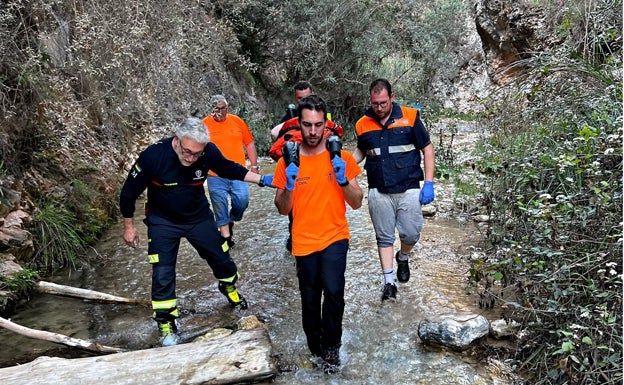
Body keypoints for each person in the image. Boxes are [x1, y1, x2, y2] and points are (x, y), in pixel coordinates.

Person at [119, 117, 273, 347]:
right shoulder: (153, 156)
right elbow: (128, 193)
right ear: (177, 140)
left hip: (198, 216)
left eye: (196, 154)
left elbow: (228, 168)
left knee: (221, 258)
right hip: (162, 221)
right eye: (187, 151)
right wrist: (129, 227)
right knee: (162, 271)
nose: (191, 158)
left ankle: (228, 287)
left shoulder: (208, 152)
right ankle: (166, 323)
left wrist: (263, 179)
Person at [272, 95, 363, 372]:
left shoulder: (342, 157)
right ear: (298, 124)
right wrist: (288, 184)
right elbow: (281, 208)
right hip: (304, 240)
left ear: (327, 125)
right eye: (308, 125)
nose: (313, 132)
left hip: (335, 236)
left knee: (334, 292)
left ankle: (332, 348)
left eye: (319, 125)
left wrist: (343, 179)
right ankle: (315, 349)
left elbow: (357, 201)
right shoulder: (288, 160)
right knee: (310, 300)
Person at [353, 78, 436, 302]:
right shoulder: (362, 123)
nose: (378, 108)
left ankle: (404, 256)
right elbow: (362, 151)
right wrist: (347, 168)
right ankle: (389, 283)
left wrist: (428, 182)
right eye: (374, 104)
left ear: (392, 97)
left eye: (382, 103)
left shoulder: (410, 117)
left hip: (408, 187)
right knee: (384, 237)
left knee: (411, 233)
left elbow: (427, 149)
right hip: (378, 190)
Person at [202, 95, 259, 248]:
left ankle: (231, 219)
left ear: (227, 108)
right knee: (219, 206)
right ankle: (226, 239)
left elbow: (250, 143)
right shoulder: (204, 125)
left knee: (242, 202)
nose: (220, 111)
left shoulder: (237, 121)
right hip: (215, 175)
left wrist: (254, 166)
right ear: (212, 109)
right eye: (217, 108)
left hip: (238, 173)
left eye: (223, 108)